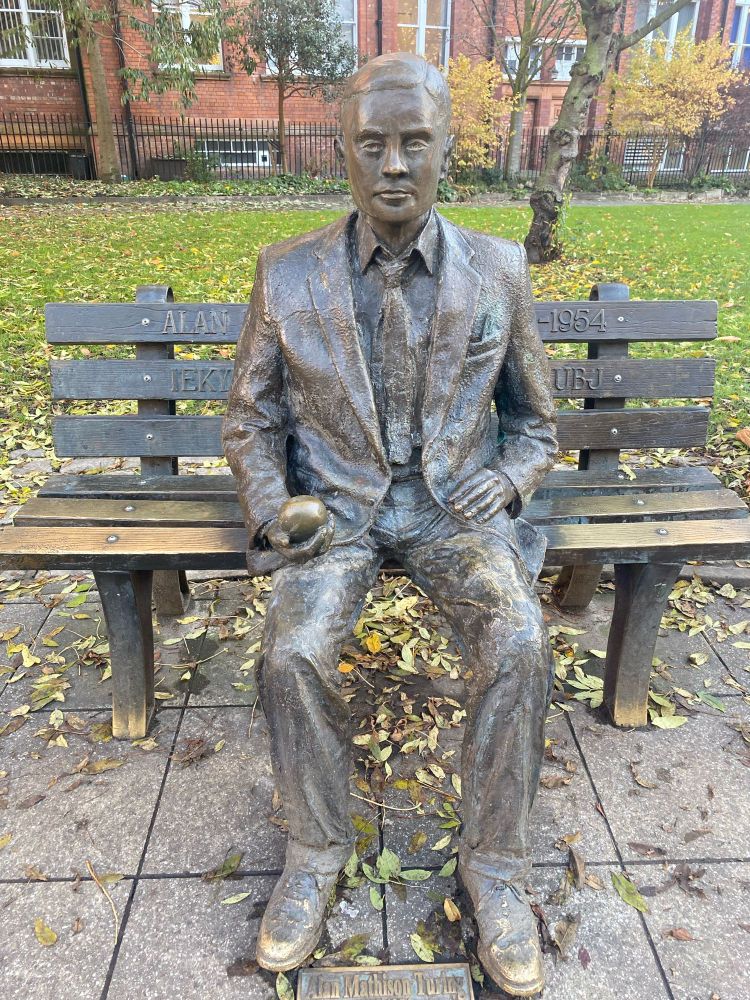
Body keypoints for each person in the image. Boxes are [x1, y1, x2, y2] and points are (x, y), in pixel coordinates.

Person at [222, 52, 557, 997]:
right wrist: (270, 509)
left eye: (416, 141)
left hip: (452, 508)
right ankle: (315, 852)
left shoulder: (499, 268)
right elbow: (251, 419)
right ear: (343, 152)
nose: (394, 164)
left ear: (450, 145)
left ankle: (495, 867)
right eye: (372, 144)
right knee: (290, 652)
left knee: (521, 639)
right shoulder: (285, 275)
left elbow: (537, 422)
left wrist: (511, 473)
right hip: (338, 513)